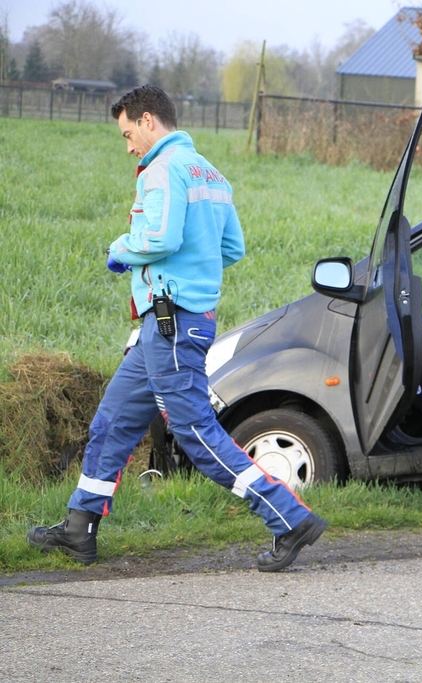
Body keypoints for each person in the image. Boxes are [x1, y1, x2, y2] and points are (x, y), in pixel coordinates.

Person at [28, 85, 326, 572]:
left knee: (195, 432)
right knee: (111, 423)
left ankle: (288, 516)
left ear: (148, 120)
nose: (128, 146)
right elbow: (231, 249)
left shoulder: (163, 169)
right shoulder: (210, 172)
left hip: (171, 324)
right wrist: (192, 261)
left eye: (128, 134)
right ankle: (79, 528)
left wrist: (122, 248)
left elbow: (160, 236)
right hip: (169, 326)